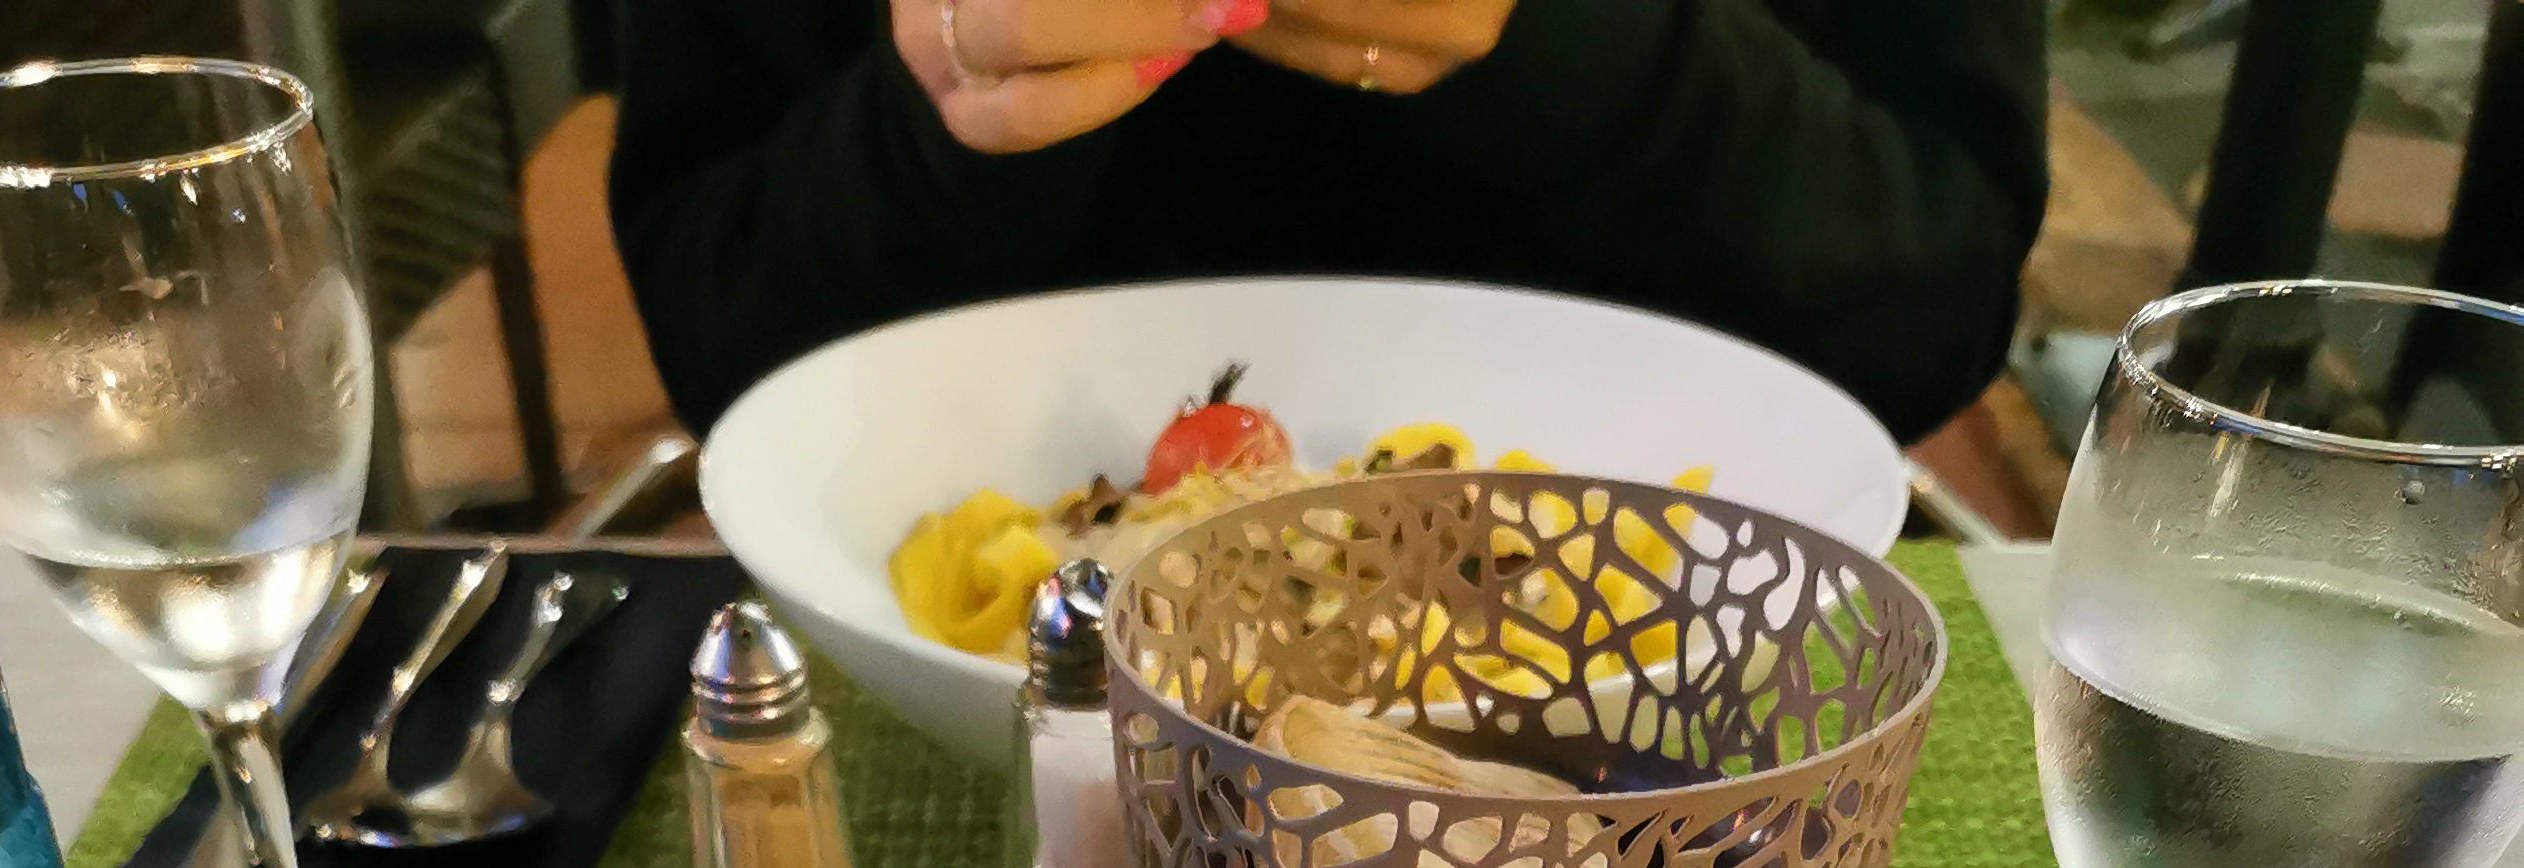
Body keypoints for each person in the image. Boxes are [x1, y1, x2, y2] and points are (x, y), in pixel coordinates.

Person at [606, 0, 2047, 454]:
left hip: (1662, 707)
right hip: (976, 685)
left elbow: (1927, 294)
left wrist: (1552, 39)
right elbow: (725, 338)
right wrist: (950, 110)